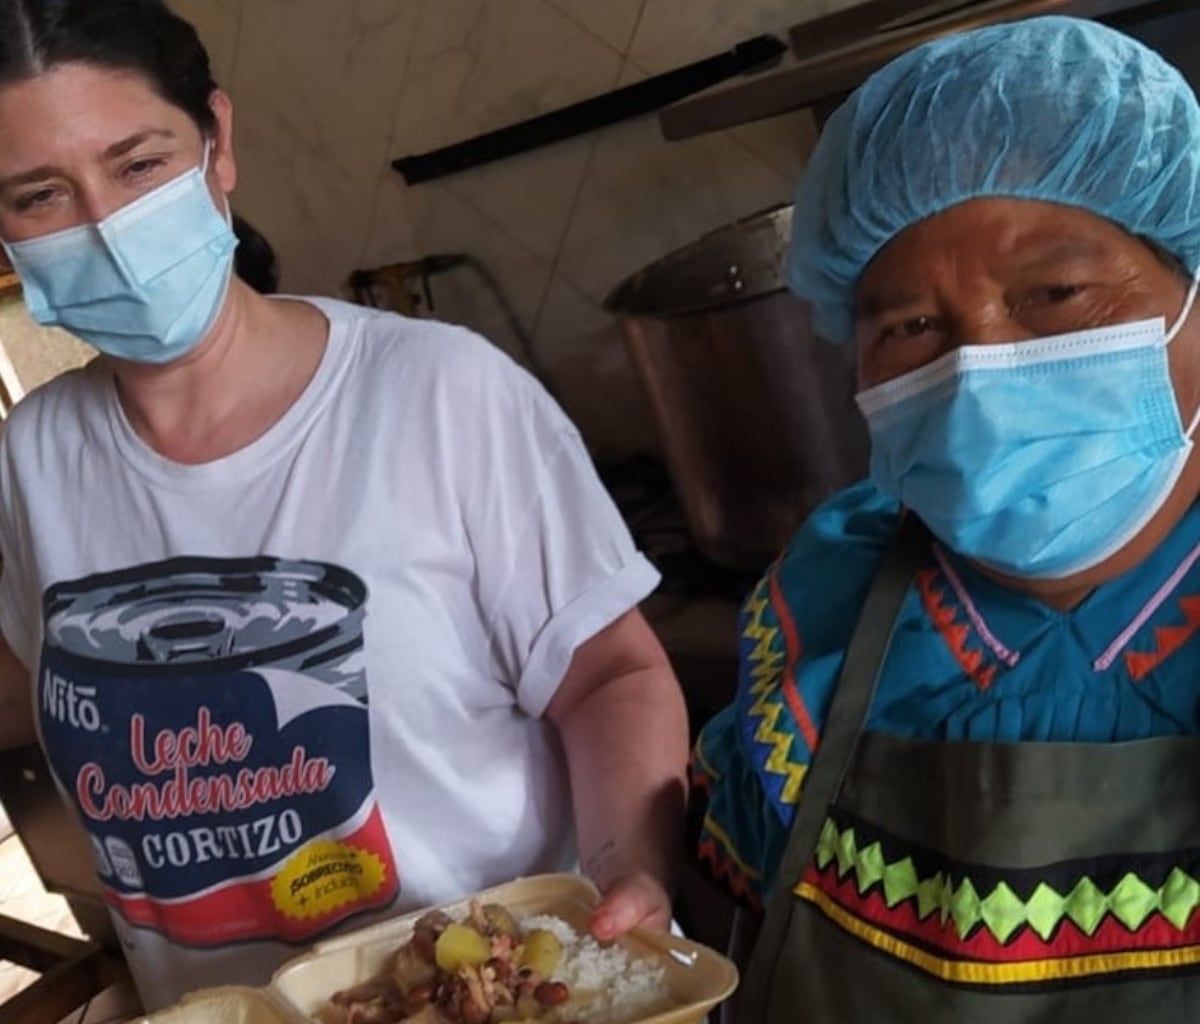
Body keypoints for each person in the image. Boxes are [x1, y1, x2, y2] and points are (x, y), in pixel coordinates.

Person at [0, 0, 688, 1010]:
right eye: (38, 195)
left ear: (217, 142)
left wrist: (631, 864)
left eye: (138, 165)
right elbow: (40, 687)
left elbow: (609, 671)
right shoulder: (35, 456)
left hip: (479, 996)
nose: (105, 227)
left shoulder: (439, 391)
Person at [693, 15, 1200, 1023]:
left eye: (1056, 291)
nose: (978, 369)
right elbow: (723, 933)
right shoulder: (822, 596)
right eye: (911, 326)